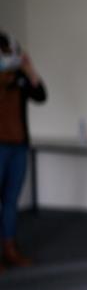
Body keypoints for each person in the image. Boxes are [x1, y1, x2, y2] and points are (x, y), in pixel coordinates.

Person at [0, 31, 46, 271]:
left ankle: (10, 248)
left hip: (18, 145)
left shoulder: (19, 76)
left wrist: (28, 69)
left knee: (10, 201)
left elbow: (40, 95)